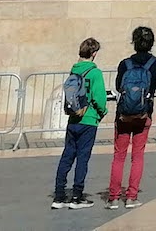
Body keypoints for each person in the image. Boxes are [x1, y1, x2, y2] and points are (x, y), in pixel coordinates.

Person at [105, 25, 156, 209]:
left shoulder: (125, 64)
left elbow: (118, 86)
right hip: (143, 114)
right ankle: (131, 196)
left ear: (134, 42)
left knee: (119, 156)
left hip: (123, 116)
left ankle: (114, 197)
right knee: (137, 156)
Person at [51, 35, 108, 211]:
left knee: (67, 156)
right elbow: (99, 98)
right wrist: (102, 112)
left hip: (73, 119)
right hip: (88, 120)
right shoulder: (95, 72)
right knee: (83, 158)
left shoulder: (74, 71)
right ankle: (77, 196)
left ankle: (59, 195)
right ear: (94, 53)